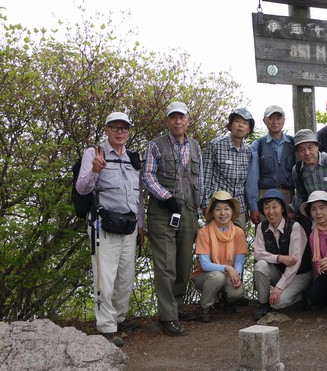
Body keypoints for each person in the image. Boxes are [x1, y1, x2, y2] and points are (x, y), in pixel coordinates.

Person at [76, 111, 144, 347]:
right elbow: (82, 189)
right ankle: (106, 327)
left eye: (124, 128)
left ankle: (119, 318)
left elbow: (139, 195)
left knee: (125, 276)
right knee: (105, 276)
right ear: (106, 130)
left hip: (129, 224)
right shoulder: (94, 153)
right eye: (115, 128)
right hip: (102, 224)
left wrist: (141, 224)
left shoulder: (132, 158)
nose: (120, 132)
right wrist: (95, 169)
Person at [143, 101, 203, 337]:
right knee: (166, 264)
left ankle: (176, 307)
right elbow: (147, 175)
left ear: (188, 120)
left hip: (188, 211)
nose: (178, 121)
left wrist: (199, 208)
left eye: (182, 117)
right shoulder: (155, 145)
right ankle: (167, 316)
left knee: (183, 264)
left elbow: (199, 180)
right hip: (162, 211)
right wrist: (165, 196)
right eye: (173, 117)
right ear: (167, 121)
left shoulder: (195, 146)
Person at [252, 189, 313, 320]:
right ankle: (263, 304)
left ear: (282, 209)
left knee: (279, 303)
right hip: (280, 272)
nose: (271, 211)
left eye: (275, 207)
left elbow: (294, 263)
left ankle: (302, 296)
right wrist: (279, 258)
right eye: (266, 208)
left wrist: (279, 287)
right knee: (261, 265)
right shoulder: (261, 227)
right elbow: (258, 254)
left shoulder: (295, 227)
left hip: (300, 274)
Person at [192, 191, 246, 323]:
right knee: (217, 276)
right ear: (212, 212)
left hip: (228, 273)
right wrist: (228, 268)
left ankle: (228, 300)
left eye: (226, 209)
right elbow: (205, 264)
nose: (223, 213)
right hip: (206, 276)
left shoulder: (239, 232)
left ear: (232, 212)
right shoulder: (204, 232)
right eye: (218, 209)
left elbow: (239, 260)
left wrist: (236, 274)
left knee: (236, 292)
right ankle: (206, 307)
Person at [202, 108, 253, 231]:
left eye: (245, 123)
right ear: (230, 125)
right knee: (216, 245)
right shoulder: (215, 145)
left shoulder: (248, 150)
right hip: (218, 207)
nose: (241, 125)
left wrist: (246, 208)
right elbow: (205, 177)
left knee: (237, 245)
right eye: (237, 121)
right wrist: (205, 205)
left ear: (249, 129)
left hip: (238, 208)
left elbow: (246, 183)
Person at [246, 105, 296, 225]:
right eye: (271, 118)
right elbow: (252, 179)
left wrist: (297, 205)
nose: (275, 122)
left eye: (278, 118)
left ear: (284, 120)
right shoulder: (258, 145)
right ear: (264, 120)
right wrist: (254, 207)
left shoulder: (294, 143)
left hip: (289, 196)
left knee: (291, 233)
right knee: (266, 235)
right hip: (265, 196)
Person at [291, 129, 327, 226]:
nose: (307, 153)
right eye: (301, 149)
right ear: (298, 152)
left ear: (317, 146)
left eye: (310, 147)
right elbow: (300, 195)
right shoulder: (297, 170)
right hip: (318, 217)